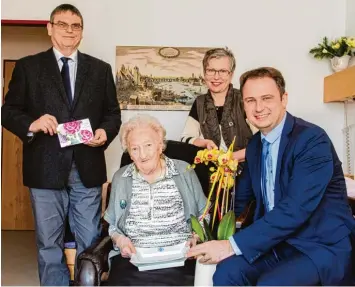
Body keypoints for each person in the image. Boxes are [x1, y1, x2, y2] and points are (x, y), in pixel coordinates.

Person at [187, 67, 355, 286]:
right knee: (227, 272)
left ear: (284, 99)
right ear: (244, 105)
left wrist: (230, 246)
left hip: (319, 245)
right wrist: (206, 232)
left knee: (271, 284)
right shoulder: (255, 145)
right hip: (278, 241)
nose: (258, 108)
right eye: (250, 100)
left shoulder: (313, 140)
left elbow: (295, 209)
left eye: (267, 98)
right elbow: (238, 201)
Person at [1, 4, 121, 286]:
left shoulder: (100, 69)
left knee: (90, 240)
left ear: (81, 32)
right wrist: (32, 123)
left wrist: (105, 131)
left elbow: (113, 113)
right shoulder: (28, 67)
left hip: (87, 167)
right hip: (44, 167)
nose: (69, 30)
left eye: (75, 26)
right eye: (62, 24)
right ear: (49, 28)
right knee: (48, 242)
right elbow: (8, 111)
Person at [104, 114, 207, 286]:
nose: (142, 155)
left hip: (181, 257)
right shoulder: (121, 177)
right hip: (134, 259)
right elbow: (113, 225)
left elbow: (205, 214)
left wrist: (196, 237)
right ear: (129, 153)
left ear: (160, 146)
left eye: (148, 145)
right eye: (135, 149)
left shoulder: (184, 171)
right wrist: (121, 241)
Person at [181, 47, 254, 161]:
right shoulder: (199, 102)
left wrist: (229, 159)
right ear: (204, 73)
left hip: (245, 173)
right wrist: (204, 143)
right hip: (210, 174)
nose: (216, 77)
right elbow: (185, 138)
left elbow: (263, 142)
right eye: (211, 70)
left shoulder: (245, 99)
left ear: (231, 75)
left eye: (223, 71)